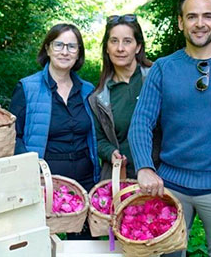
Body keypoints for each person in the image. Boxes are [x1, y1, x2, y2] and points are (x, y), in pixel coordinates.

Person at [128, 0, 211, 257]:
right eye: (192, 16)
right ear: (180, 22)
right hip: (170, 186)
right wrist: (144, 167)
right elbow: (141, 122)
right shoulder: (164, 68)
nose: (200, 24)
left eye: (208, 16)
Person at [10, 24, 99, 239]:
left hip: (85, 182)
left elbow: (97, 136)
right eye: (58, 45)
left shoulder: (88, 90)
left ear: (79, 53)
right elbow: (13, 135)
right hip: (45, 181)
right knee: (45, 244)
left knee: (82, 247)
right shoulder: (27, 88)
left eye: (71, 46)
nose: (65, 51)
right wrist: (32, 169)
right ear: (48, 49)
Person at [89, 14, 159, 180]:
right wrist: (110, 152)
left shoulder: (156, 78)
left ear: (138, 47)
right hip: (124, 179)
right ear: (106, 47)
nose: (120, 48)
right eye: (114, 41)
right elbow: (97, 138)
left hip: (164, 176)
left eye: (127, 41)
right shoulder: (99, 97)